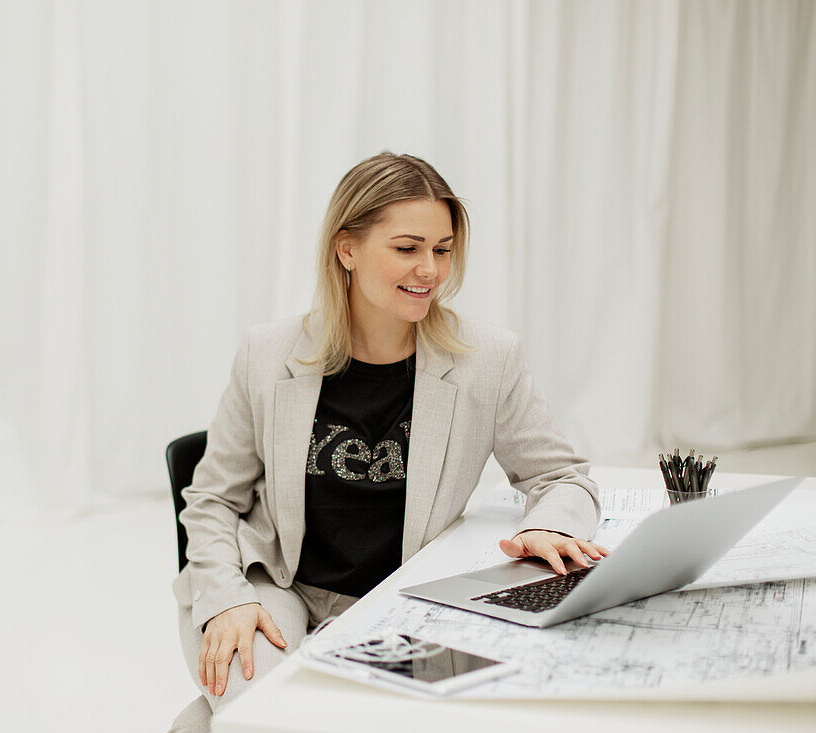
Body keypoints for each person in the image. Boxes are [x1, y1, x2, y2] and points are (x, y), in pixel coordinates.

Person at [169, 152, 608, 732]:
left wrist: (550, 523)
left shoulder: (487, 360)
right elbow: (213, 500)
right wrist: (225, 596)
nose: (429, 269)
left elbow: (561, 477)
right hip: (276, 587)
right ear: (346, 249)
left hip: (406, 602)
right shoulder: (267, 354)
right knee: (265, 715)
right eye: (407, 248)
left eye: (443, 249)